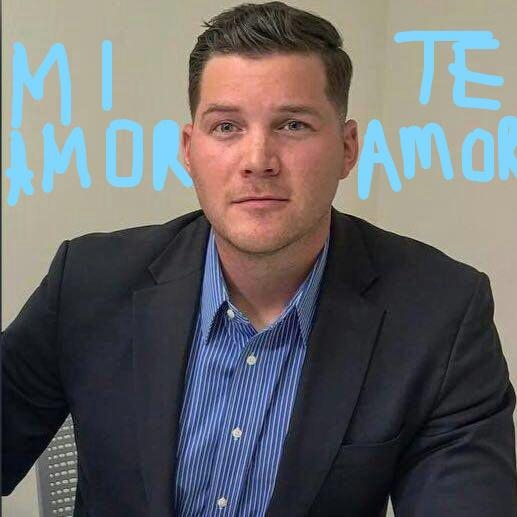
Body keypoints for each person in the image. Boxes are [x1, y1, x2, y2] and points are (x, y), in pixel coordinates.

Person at [2, 2, 516, 515]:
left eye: (292, 125)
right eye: (226, 126)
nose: (258, 161)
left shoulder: (440, 317)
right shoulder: (87, 283)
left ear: (347, 148)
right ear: (189, 149)